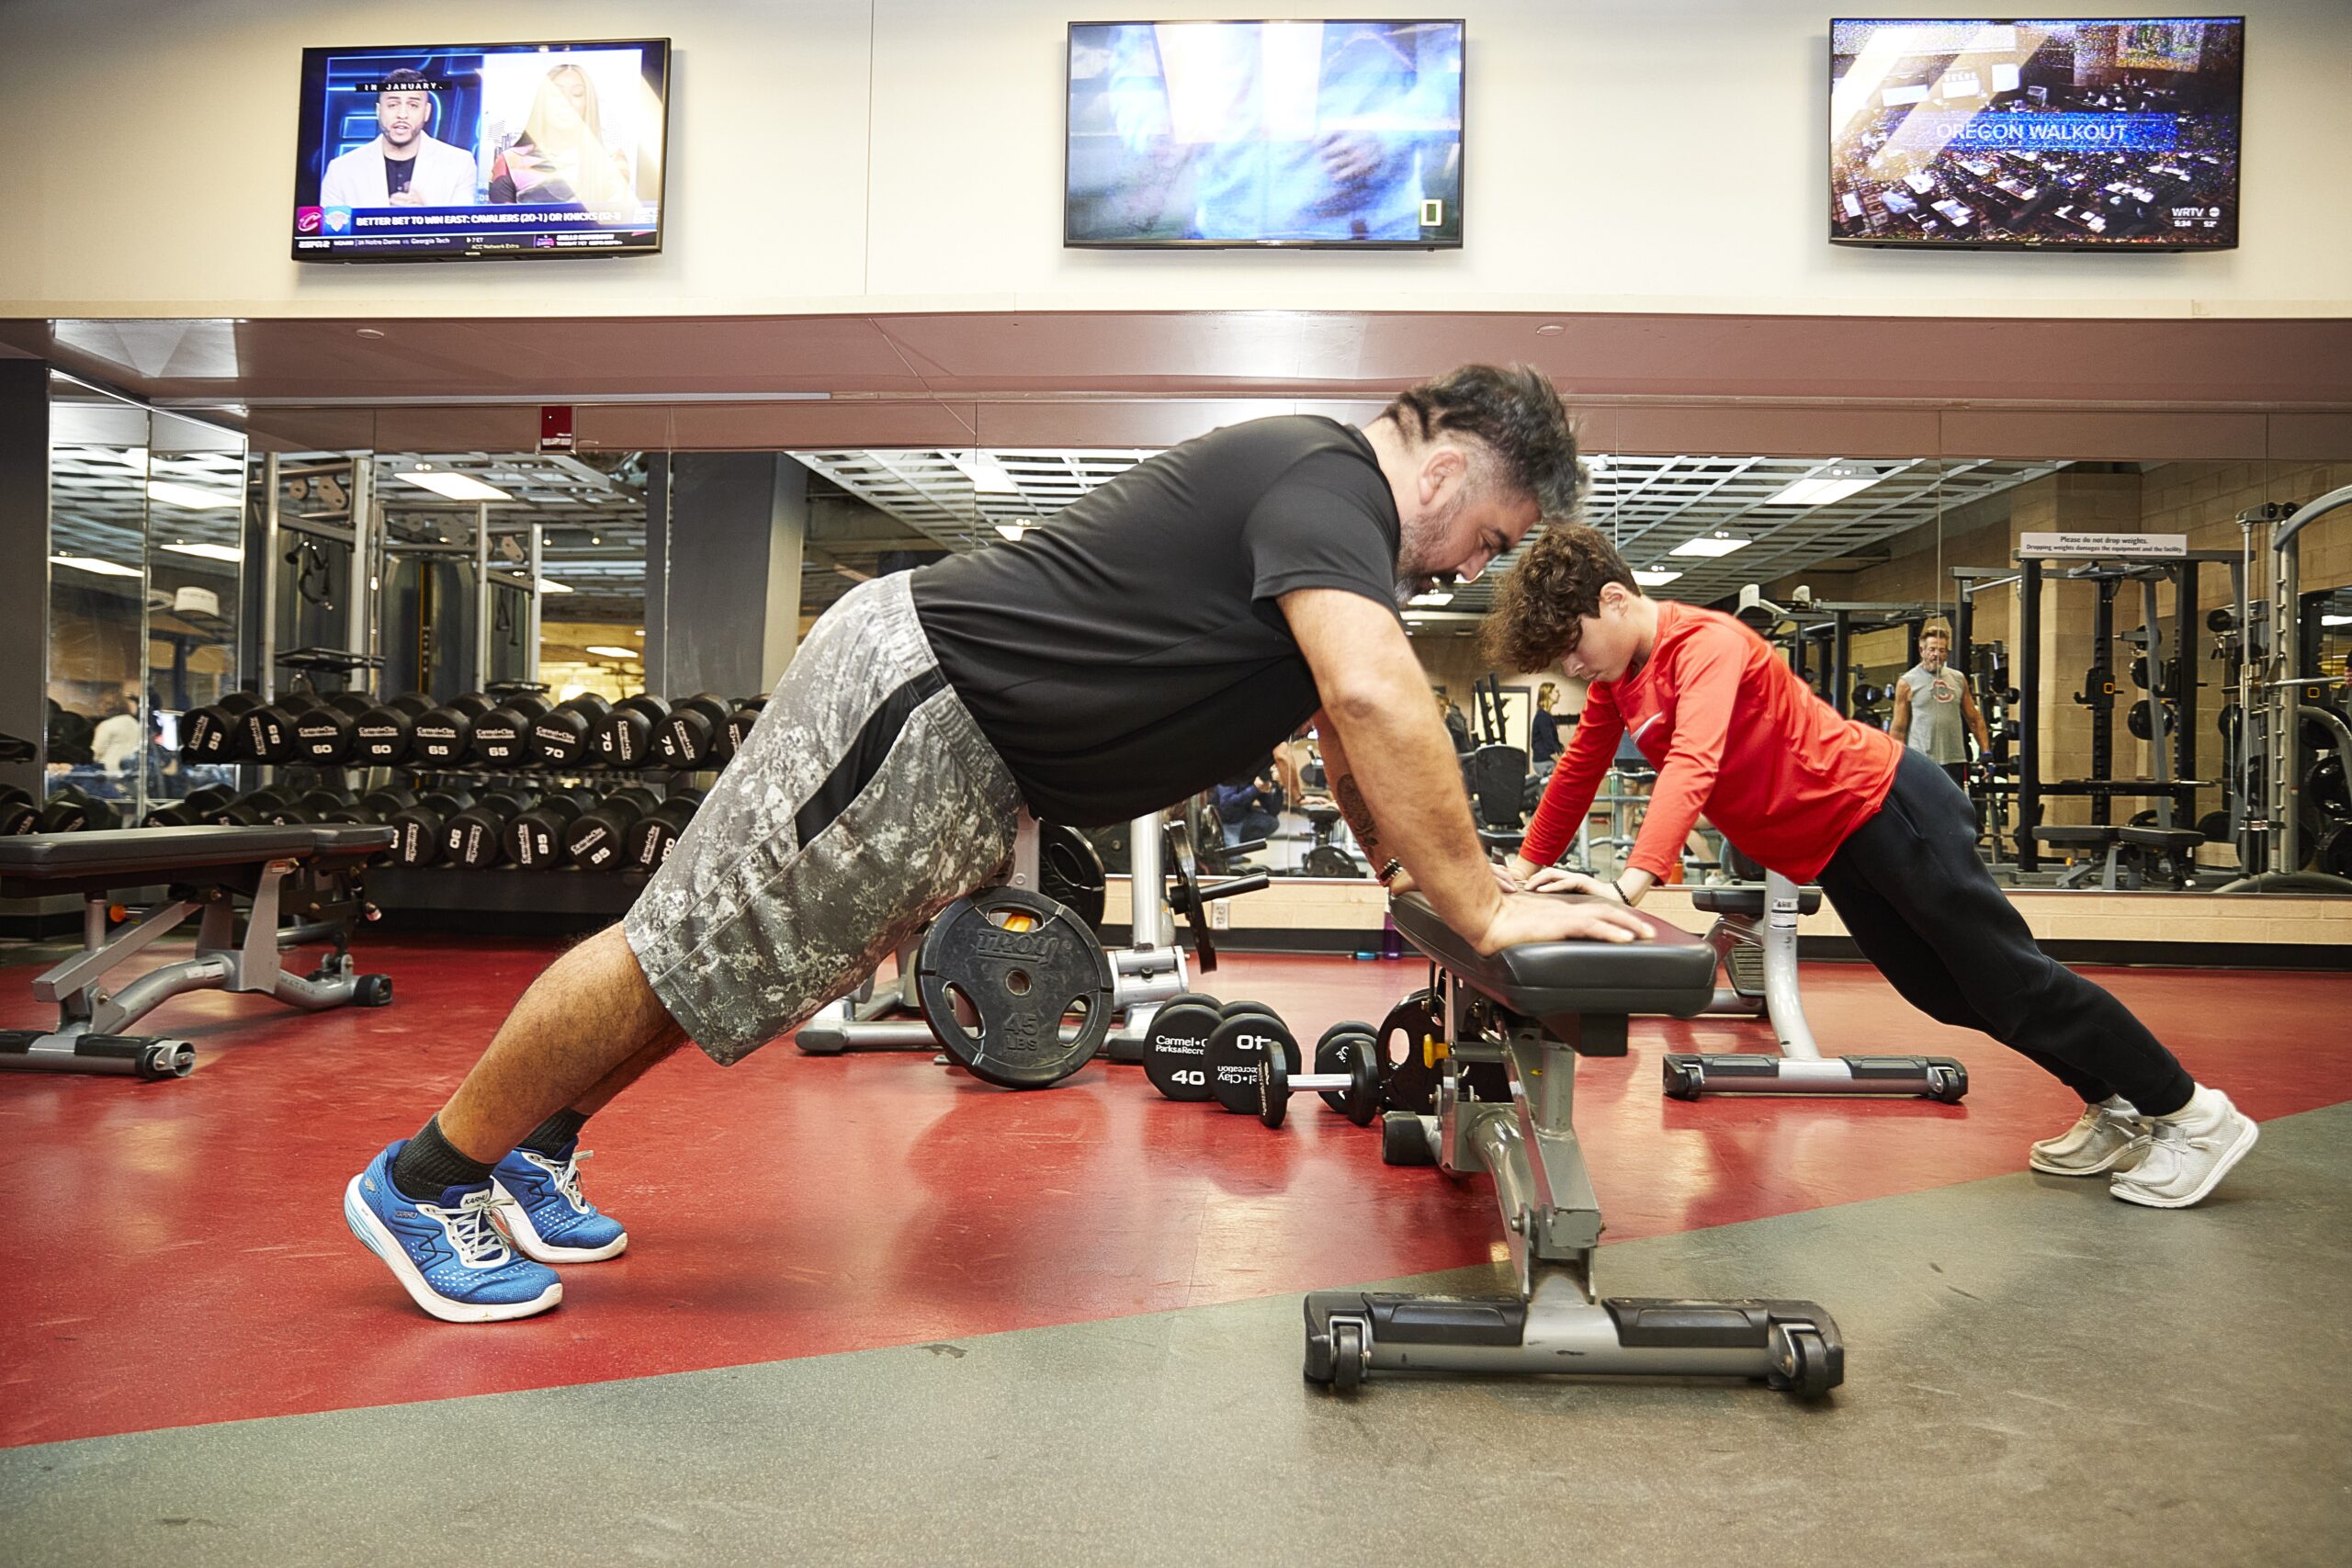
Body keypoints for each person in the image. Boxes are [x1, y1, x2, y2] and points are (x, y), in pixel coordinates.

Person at [344, 364, 1652, 1323]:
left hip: (961, 748)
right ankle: (425, 1176)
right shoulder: (1332, 483)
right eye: (1484, 539)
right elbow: (1373, 694)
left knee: (731, 964)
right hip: (924, 702)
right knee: (675, 943)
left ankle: (535, 1140)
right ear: (1444, 473)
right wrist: (1481, 911)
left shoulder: (1328, 516)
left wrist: (1423, 875)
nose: (1464, 570)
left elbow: (1346, 728)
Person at [1485, 524, 2257, 1212]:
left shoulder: (1706, 643)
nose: (1574, 664)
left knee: (2014, 980)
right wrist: (1522, 870)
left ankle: (2194, 1113)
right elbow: (1579, 769)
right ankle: (2113, 1102)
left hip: (1890, 807)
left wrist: (1630, 884)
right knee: (1947, 993)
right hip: (1837, 845)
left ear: (1615, 598)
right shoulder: (1621, 683)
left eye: (1572, 642)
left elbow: (1696, 760)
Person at [320, 67, 479, 208]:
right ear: (378, 110)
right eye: (393, 105)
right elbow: (328, 235)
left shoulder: (460, 164)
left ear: (427, 112)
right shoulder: (340, 170)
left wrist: (424, 219)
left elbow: (463, 234)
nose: (402, 115)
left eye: (413, 105)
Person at [488, 62, 632, 207]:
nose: (566, 102)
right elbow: (497, 225)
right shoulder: (510, 160)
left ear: (588, 103)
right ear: (542, 102)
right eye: (556, 94)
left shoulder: (611, 157)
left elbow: (621, 221)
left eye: (577, 94)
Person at [1891, 620, 1990, 784]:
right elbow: (1898, 729)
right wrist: (1895, 764)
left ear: (1947, 654)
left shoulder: (1958, 679)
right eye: (1932, 649)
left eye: (1941, 650)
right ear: (1922, 651)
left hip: (1954, 759)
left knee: (1953, 809)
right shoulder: (1907, 682)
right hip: (1921, 760)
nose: (1936, 654)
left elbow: (1974, 718)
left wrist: (1986, 753)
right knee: (1923, 809)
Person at [1530, 680, 1563, 769]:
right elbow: (1549, 742)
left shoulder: (1546, 716)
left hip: (1546, 760)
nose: (1559, 694)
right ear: (1548, 694)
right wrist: (1560, 762)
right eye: (1556, 691)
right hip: (1544, 762)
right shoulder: (1543, 716)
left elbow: (1554, 741)